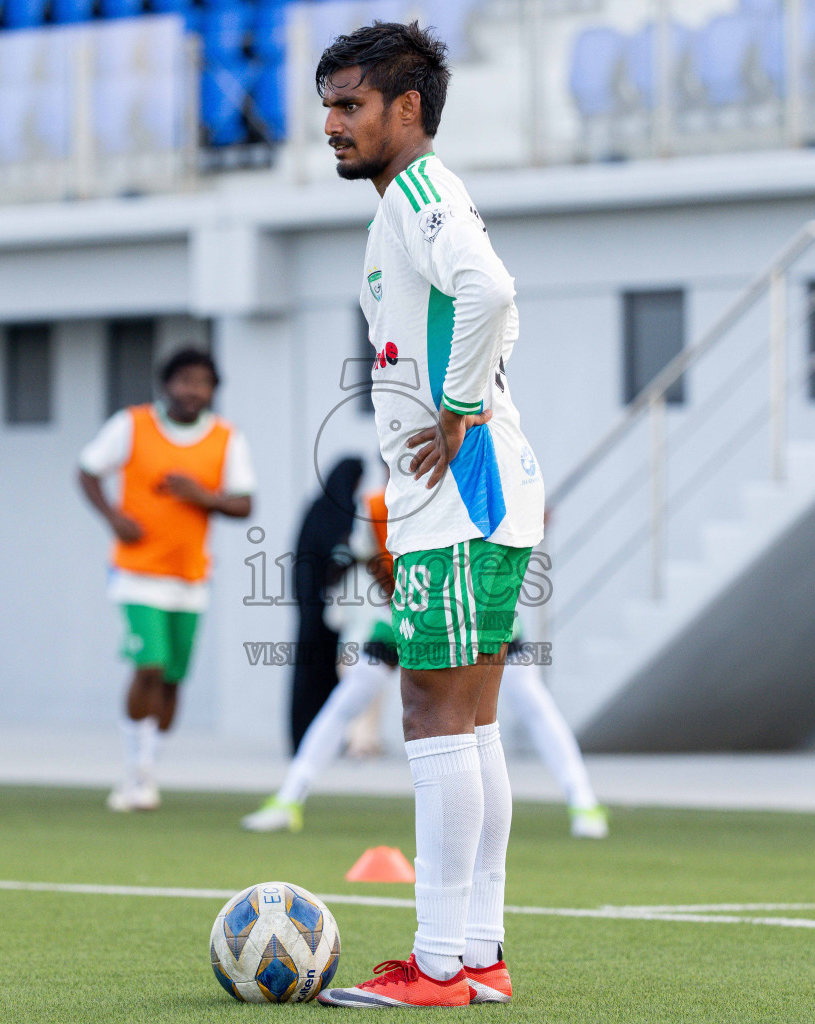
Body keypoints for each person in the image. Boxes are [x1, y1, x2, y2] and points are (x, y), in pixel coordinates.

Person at [313, 22, 544, 1009]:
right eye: (327, 104)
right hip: (483, 487)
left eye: (350, 105)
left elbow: (490, 292)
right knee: (472, 724)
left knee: (432, 715)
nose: (331, 124)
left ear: (407, 109)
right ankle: (476, 951)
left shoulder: (418, 194)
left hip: (462, 490)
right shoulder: (414, 203)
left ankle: (441, 962)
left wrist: (456, 411)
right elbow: (493, 309)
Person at [242, 487, 608, 839]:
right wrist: (406, 605)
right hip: (410, 613)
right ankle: (291, 796)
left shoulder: (466, 484)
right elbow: (375, 561)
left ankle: (583, 801)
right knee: (352, 695)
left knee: (526, 699)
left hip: (482, 611)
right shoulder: (377, 505)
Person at [78, 348, 254, 812]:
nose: (192, 390)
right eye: (183, 380)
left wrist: (201, 496)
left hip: (190, 576)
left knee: (173, 681)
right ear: (166, 384)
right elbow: (88, 468)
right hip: (137, 572)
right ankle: (135, 776)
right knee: (149, 666)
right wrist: (112, 516)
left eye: (202, 382)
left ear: (213, 389)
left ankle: (147, 770)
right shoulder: (131, 424)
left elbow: (243, 504)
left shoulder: (225, 438)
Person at [287, 456, 364, 752]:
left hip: (336, 610)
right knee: (309, 675)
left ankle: (329, 741)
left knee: (335, 675)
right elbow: (323, 560)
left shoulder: (342, 510)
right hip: (313, 607)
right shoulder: (323, 512)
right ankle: (303, 739)